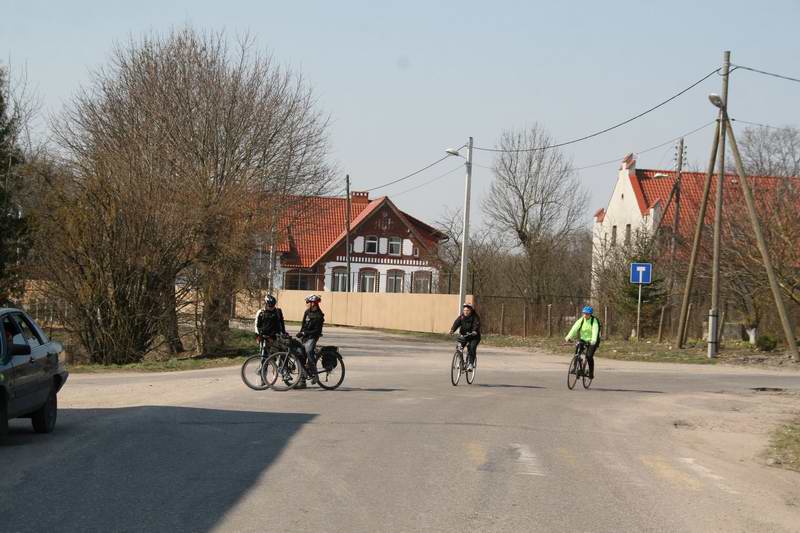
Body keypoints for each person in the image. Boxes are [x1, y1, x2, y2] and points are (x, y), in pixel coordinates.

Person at [565, 305, 600, 379]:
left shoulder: (594, 321)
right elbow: (574, 328)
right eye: (584, 313)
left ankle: (591, 372)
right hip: (583, 339)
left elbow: (595, 331)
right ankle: (575, 368)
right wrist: (569, 337)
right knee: (577, 352)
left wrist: (593, 340)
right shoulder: (581, 320)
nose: (585, 315)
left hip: (593, 340)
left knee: (589, 356)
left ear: (590, 314)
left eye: (587, 314)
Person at [296, 294, 324, 387]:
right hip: (305, 337)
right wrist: (301, 333)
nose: (306, 304)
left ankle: (315, 376)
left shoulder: (319, 316)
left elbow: (317, 331)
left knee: (309, 353)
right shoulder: (307, 312)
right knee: (300, 355)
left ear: (313, 303)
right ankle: (302, 381)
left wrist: (305, 333)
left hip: (312, 337)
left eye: (308, 302)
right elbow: (303, 325)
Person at [449, 303, 481, 370]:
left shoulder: (475, 317)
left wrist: (474, 331)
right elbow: (456, 323)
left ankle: (471, 364)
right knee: (459, 348)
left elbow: (476, 324)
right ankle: (461, 362)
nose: (465, 312)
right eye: (464, 310)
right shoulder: (462, 317)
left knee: (472, 348)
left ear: (471, 310)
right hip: (464, 336)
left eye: (467, 310)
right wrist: (452, 330)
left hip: (474, 337)